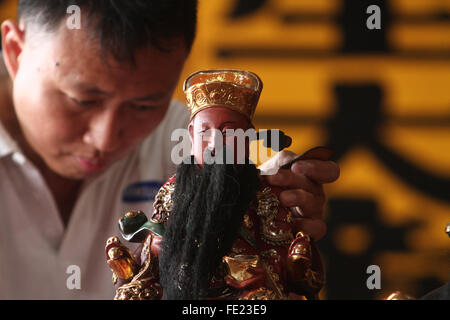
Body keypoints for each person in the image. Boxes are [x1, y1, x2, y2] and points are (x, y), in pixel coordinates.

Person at [0, 1, 339, 299]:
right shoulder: (175, 172)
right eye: (83, 100)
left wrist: (280, 199)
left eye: (145, 105)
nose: (105, 139)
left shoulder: (189, 142)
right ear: (15, 51)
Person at [107, 69, 327, 300]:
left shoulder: (265, 196)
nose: (215, 143)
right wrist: (155, 248)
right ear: (191, 136)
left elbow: (279, 251)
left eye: (229, 132)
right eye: (205, 132)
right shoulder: (172, 191)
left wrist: (255, 271)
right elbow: (154, 255)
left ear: (248, 136)